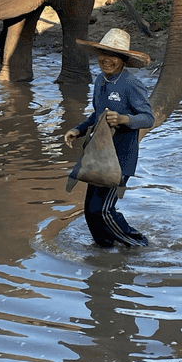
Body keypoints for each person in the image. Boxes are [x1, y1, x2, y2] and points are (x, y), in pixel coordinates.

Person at [64, 28, 153, 248]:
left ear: (123, 60)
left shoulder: (131, 84)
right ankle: (103, 248)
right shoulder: (99, 81)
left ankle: (138, 244)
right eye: (102, 54)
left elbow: (148, 118)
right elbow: (97, 114)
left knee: (102, 209)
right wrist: (79, 129)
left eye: (112, 55)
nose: (106, 60)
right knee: (90, 209)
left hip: (120, 158)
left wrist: (124, 119)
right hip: (99, 156)